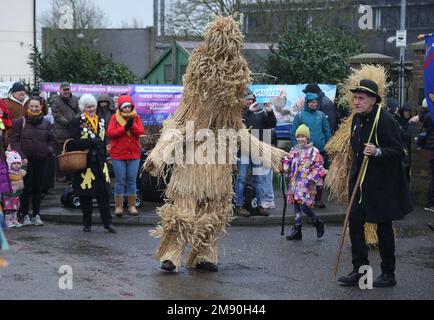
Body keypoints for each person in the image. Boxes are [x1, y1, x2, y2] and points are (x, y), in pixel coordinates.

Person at [337, 79, 412, 287]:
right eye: (355, 98)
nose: (356, 102)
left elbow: (398, 152)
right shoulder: (356, 120)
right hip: (360, 185)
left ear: (372, 100)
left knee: (383, 228)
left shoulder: (386, 120)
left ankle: (388, 274)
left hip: (382, 187)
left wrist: (378, 151)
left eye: (361, 98)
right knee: (355, 225)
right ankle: (360, 272)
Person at [67, 94, 116, 233]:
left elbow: (103, 140)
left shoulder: (100, 121)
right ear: (83, 108)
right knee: (85, 195)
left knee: (103, 194)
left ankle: (108, 223)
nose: (91, 109)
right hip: (84, 163)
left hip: (100, 163)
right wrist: (89, 142)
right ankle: (87, 223)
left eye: (93, 106)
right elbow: (71, 143)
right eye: (88, 107)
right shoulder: (77, 122)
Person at [9, 95, 55, 227]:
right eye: (31, 106)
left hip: (41, 159)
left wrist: (48, 150)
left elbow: (51, 140)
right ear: (28, 107)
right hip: (24, 161)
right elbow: (14, 141)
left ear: (41, 107)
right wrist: (22, 156)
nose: (34, 108)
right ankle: (25, 215)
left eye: (36, 106)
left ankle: (36, 214)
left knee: (38, 188)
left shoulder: (47, 123)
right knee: (25, 188)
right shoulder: (19, 122)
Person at [234, 91, 277, 217]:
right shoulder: (238, 113)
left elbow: (271, 124)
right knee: (241, 178)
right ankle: (239, 205)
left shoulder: (260, 112)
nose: (250, 102)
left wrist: (270, 112)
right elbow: (239, 125)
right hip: (243, 150)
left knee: (257, 179)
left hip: (257, 150)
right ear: (242, 101)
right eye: (247, 100)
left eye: (252, 99)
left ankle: (258, 205)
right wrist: (248, 111)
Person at [282, 124, 326, 240]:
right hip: (294, 184)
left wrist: (311, 179)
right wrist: (284, 163)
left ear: (307, 138)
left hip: (307, 185)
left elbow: (319, 168)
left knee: (304, 207)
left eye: (303, 136)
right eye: (299, 136)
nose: (301, 139)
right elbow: (289, 164)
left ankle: (317, 222)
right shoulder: (294, 150)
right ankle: (297, 229)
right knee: (296, 206)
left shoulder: (314, 152)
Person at [291, 92, 331, 208]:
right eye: (312, 102)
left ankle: (317, 199)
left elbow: (327, 131)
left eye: (315, 102)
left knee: (319, 175)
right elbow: (294, 133)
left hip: (320, 151)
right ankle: (305, 198)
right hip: (305, 152)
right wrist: (295, 149)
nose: (314, 104)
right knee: (305, 176)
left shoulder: (321, 115)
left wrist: (329, 146)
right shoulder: (299, 116)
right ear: (307, 103)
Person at [107, 95, 144, 217]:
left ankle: (131, 205)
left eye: (129, 106)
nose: (127, 109)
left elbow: (140, 132)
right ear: (120, 108)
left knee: (132, 180)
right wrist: (124, 128)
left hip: (134, 154)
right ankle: (119, 206)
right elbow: (110, 133)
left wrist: (132, 125)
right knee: (120, 180)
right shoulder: (114, 117)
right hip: (118, 154)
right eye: (125, 107)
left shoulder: (136, 117)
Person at [51, 82, 79, 183]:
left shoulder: (76, 99)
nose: (66, 91)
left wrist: (74, 121)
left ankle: (71, 174)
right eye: (64, 90)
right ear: (60, 90)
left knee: (71, 154)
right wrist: (68, 123)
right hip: (60, 133)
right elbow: (57, 115)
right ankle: (60, 174)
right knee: (60, 155)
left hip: (73, 132)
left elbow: (80, 111)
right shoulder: (56, 101)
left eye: (68, 89)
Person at [3, 151, 26, 228]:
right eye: (14, 163)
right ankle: (7, 220)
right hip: (9, 194)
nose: (17, 165)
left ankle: (14, 219)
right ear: (9, 164)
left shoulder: (20, 172)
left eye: (18, 163)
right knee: (9, 208)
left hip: (16, 194)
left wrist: (25, 165)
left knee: (15, 208)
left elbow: (25, 172)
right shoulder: (8, 172)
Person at [3, 82, 29, 147]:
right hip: (12, 137)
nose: (22, 92)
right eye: (19, 90)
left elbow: (44, 113)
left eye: (23, 90)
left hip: (28, 136)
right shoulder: (6, 103)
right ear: (13, 93)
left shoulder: (30, 102)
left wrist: (42, 100)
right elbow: (3, 122)